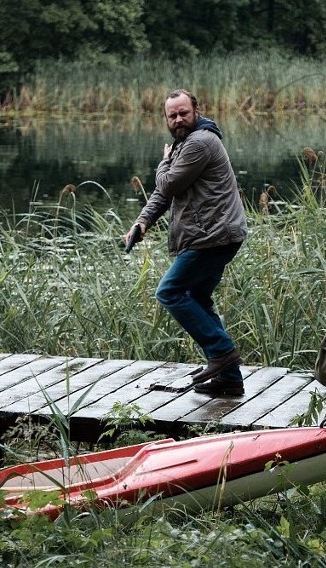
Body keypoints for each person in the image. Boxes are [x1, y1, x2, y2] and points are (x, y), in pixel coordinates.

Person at [125, 89, 248, 396]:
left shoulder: (200, 142)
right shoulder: (186, 143)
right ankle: (229, 378)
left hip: (212, 236)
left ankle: (222, 352)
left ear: (196, 111)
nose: (178, 119)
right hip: (212, 235)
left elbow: (167, 182)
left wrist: (163, 163)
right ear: (166, 118)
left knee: (170, 291)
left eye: (183, 113)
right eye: (172, 115)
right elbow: (166, 194)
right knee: (197, 295)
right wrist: (143, 221)